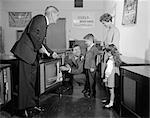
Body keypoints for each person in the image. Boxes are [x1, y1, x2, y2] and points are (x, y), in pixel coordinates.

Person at [10, 6, 60, 117]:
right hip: (25, 54)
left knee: (31, 83)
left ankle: (31, 106)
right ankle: (23, 110)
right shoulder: (40, 18)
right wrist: (41, 49)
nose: (57, 18)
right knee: (25, 84)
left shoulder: (44, 24)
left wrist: (51, 53)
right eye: (57, 15)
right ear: (51, 14)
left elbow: (41, 42)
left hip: (31, 56)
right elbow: (33, 34)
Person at [99, 13, 120, 81]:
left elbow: (114, 46)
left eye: (104, 23)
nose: (103, 25)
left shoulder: (115, 30)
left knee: (110, 78)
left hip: (111, 55)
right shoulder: (108, 30)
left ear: (108, 21)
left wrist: (106, 46)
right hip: (106, 54)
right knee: (106, 76)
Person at [102, 44, 122, 108]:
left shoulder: (110, 61)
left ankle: (111, 103)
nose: (106, 54)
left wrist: (106, 78)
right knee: (111, 91)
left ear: (109, 52)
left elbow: (108, 71)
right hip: (113, 77)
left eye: (106, 52)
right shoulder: (114, 59)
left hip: (110, 78)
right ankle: (109, 100)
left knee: (111, 91)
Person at [83, 33, 99, 98]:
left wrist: (93, 67)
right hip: (87, 66)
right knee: (88, 80)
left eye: (86, 41)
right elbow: (87, 56)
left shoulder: (94, 49)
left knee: (91, 81)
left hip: (91, 67)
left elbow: (96, 59)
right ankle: (88, 91)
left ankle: (92, 93)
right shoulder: (88, 48)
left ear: (90, 40)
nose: (85, 42)